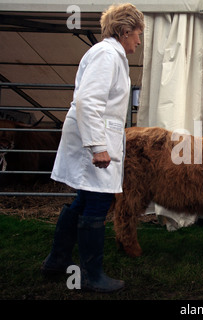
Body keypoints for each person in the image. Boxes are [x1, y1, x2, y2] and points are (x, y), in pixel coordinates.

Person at [41, 3, 144, 292]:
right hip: (92, 139)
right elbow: (89, 101)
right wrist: (98, 147)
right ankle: (90, 275)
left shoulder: (112, 55)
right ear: (125, 31)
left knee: (85, 199)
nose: (139, 40)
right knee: (98, 201)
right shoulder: (107, 55)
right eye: (137, 33)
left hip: (93, 135)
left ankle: (57, 261)